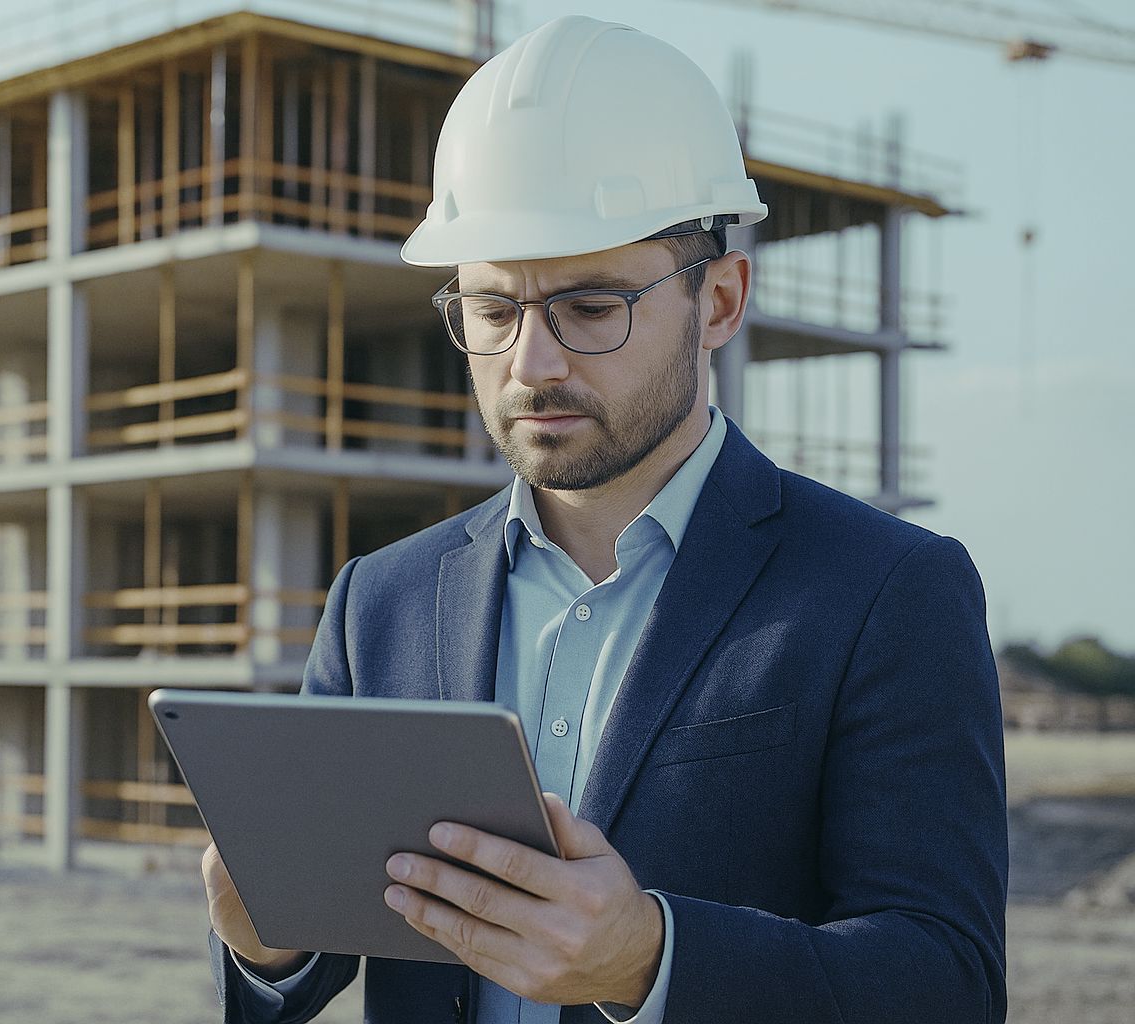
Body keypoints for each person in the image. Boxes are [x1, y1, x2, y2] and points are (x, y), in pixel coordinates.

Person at [202, 15, 1008, 1024]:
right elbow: (313, 963)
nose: (531, 366)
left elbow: (948, 982)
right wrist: (262, 940)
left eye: (591, 306)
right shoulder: (385, 601)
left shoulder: (886, 591)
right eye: (494, 312)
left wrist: (654, 961)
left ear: (719, 300)